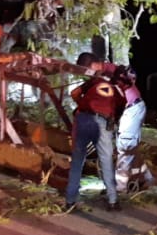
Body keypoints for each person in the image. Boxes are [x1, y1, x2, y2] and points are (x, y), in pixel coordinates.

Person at [76, 53, 152, 194]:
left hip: (132, 108)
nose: (88, 75)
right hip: (130, 108)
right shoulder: (104, 73)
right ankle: (145, 178)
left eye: (87, 70)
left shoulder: (109, 74)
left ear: (93, 64)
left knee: (125, 145)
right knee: (129, 147)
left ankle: (119, 186)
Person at [65, 57, 127, 212]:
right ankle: (113, 201)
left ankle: (70, 201)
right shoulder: (117, 89)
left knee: (78, 160)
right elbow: (120, 107)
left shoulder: (93, 82)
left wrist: (84, 105)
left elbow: (74, 93)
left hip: (84, 118)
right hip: (103, 122)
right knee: (106, 161)